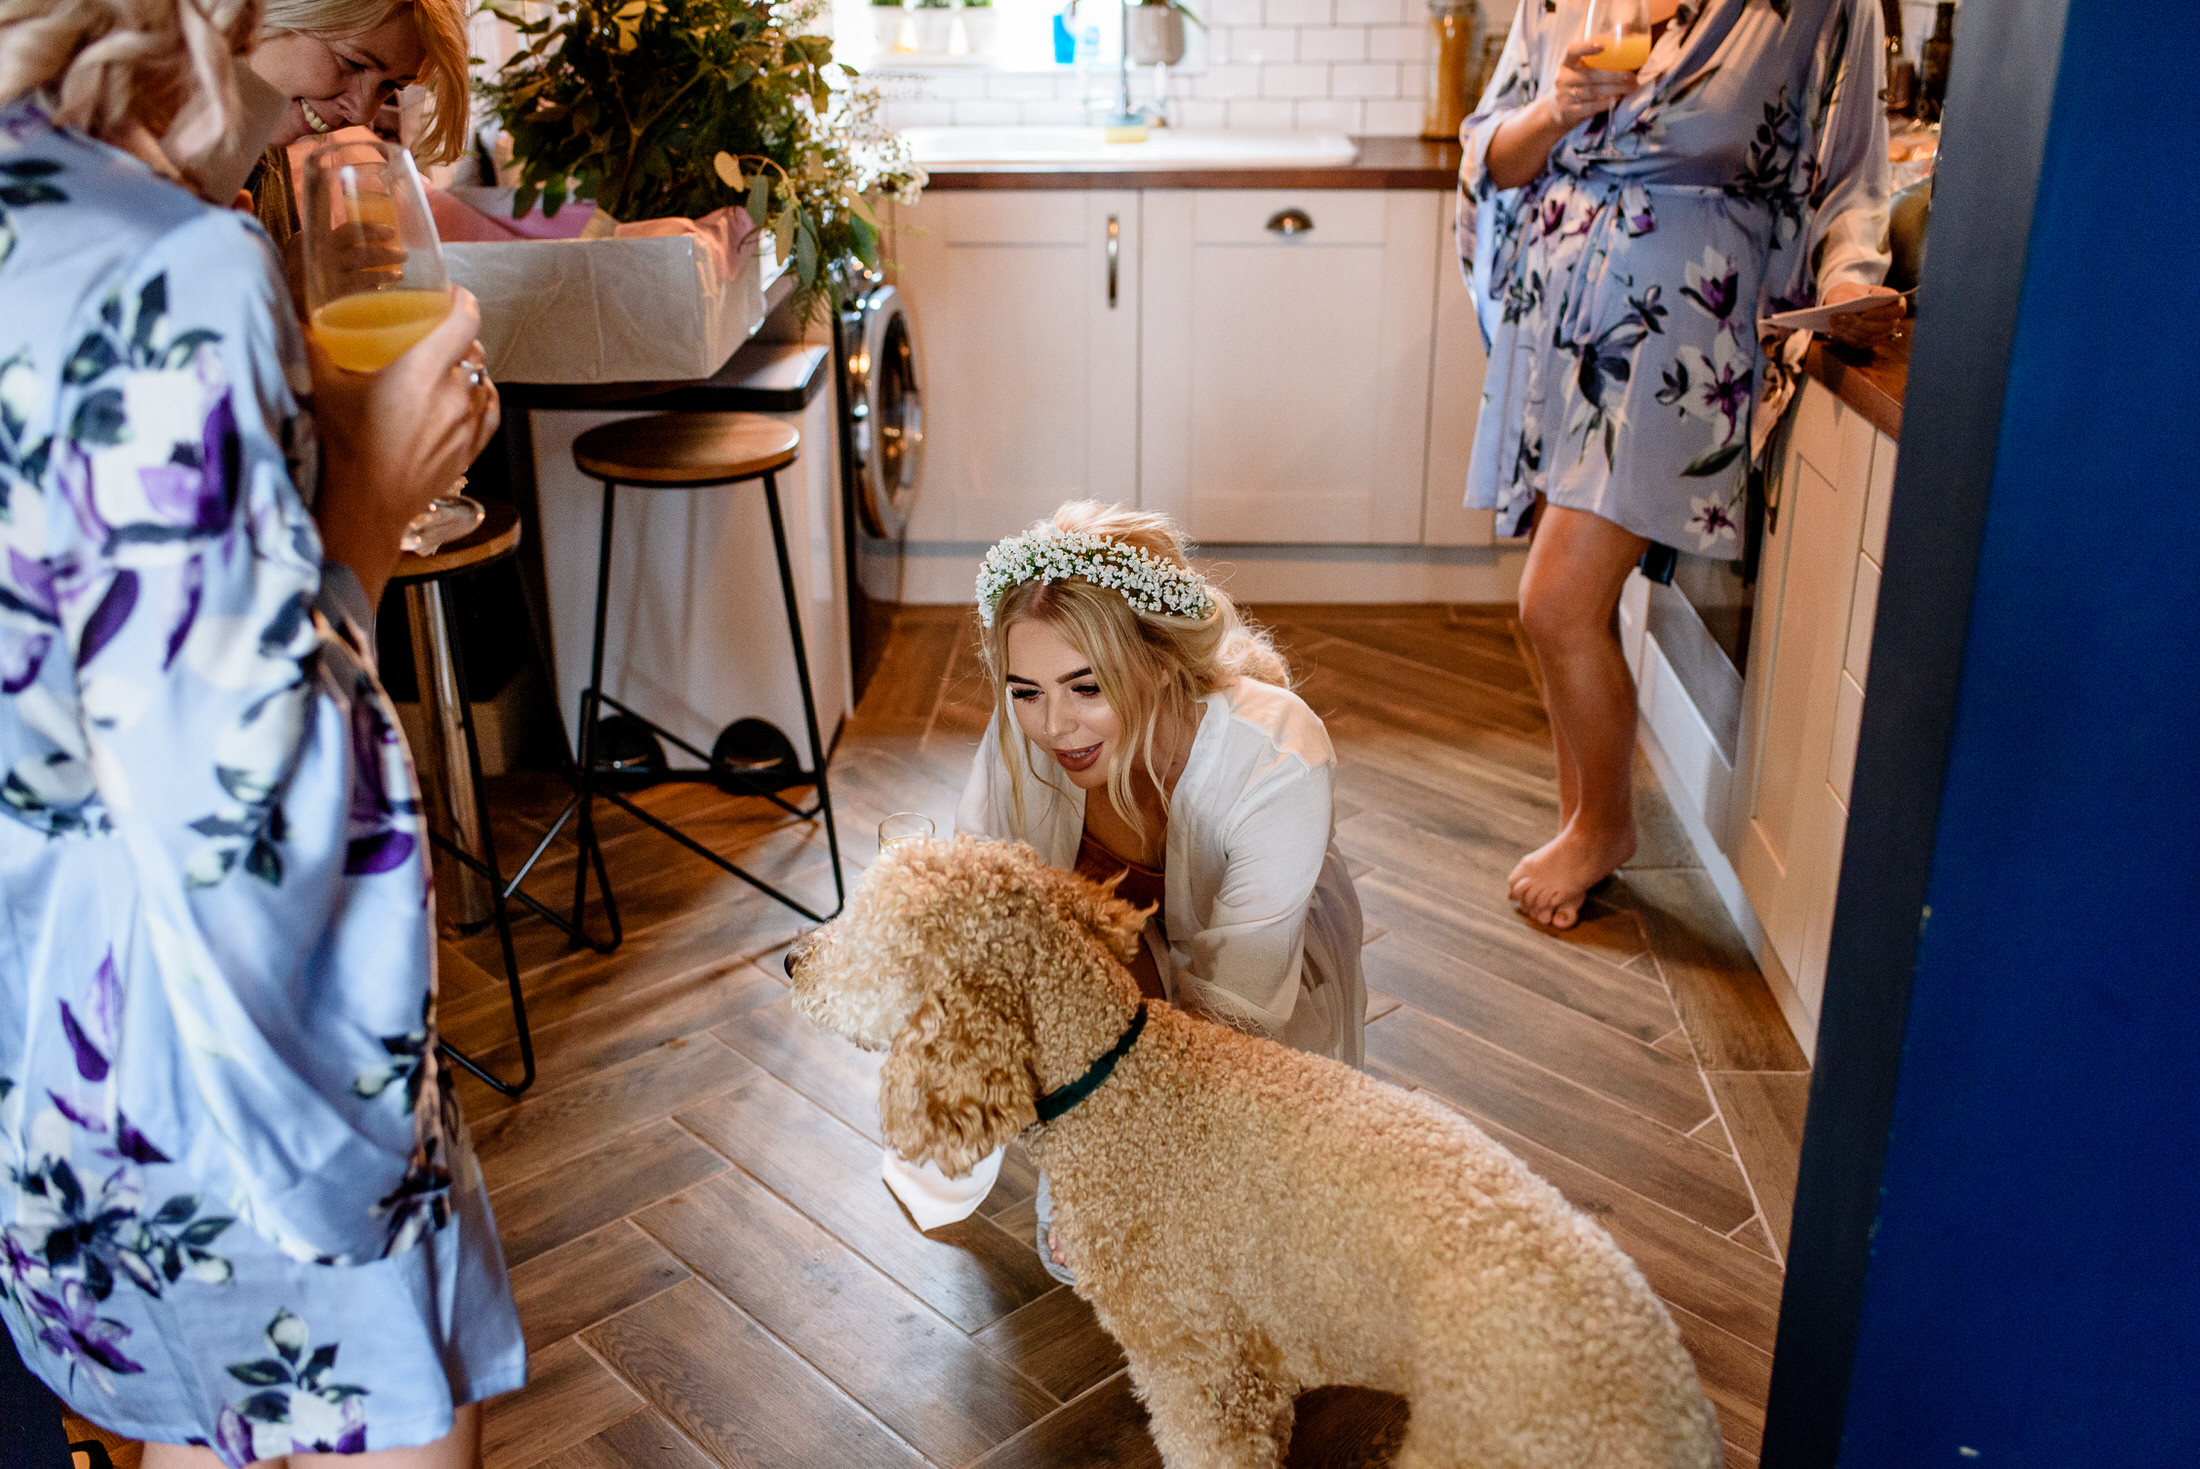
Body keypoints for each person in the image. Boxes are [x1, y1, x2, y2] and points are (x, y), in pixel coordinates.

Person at [0, 0, 520, 1464]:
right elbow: (251, 817)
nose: (357, 118)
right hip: (224, 1073)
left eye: (389, 91)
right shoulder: (172, 268)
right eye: (344, 62)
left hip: (50, 1069)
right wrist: (363, 502)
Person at [1457, 0, 1901, 928]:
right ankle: (1581, 813)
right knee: (1568, 602)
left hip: (1681, 327)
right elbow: (1490, 153)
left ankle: (1605, 828)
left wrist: (1848, 284)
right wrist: (1556, 112)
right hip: (1561, 313)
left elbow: (1851, 170)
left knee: (1555, 598)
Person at [878, 503, 1367, 1268]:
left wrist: (1143, 1168)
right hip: (1102, 953)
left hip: (1254, 970)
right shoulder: (1027, 732)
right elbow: (991, 913)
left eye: (1087, 687)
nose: (1055, 727)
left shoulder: (1278, 756)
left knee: (1245, 1219)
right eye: (1027, 690)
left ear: (1159, 663)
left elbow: (1231, 1018)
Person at [242, 0, 471, 249]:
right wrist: (283, 279)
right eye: (353, 63)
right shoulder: (199, 152)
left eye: (389, 86)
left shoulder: (264, 142)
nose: (362, 114)